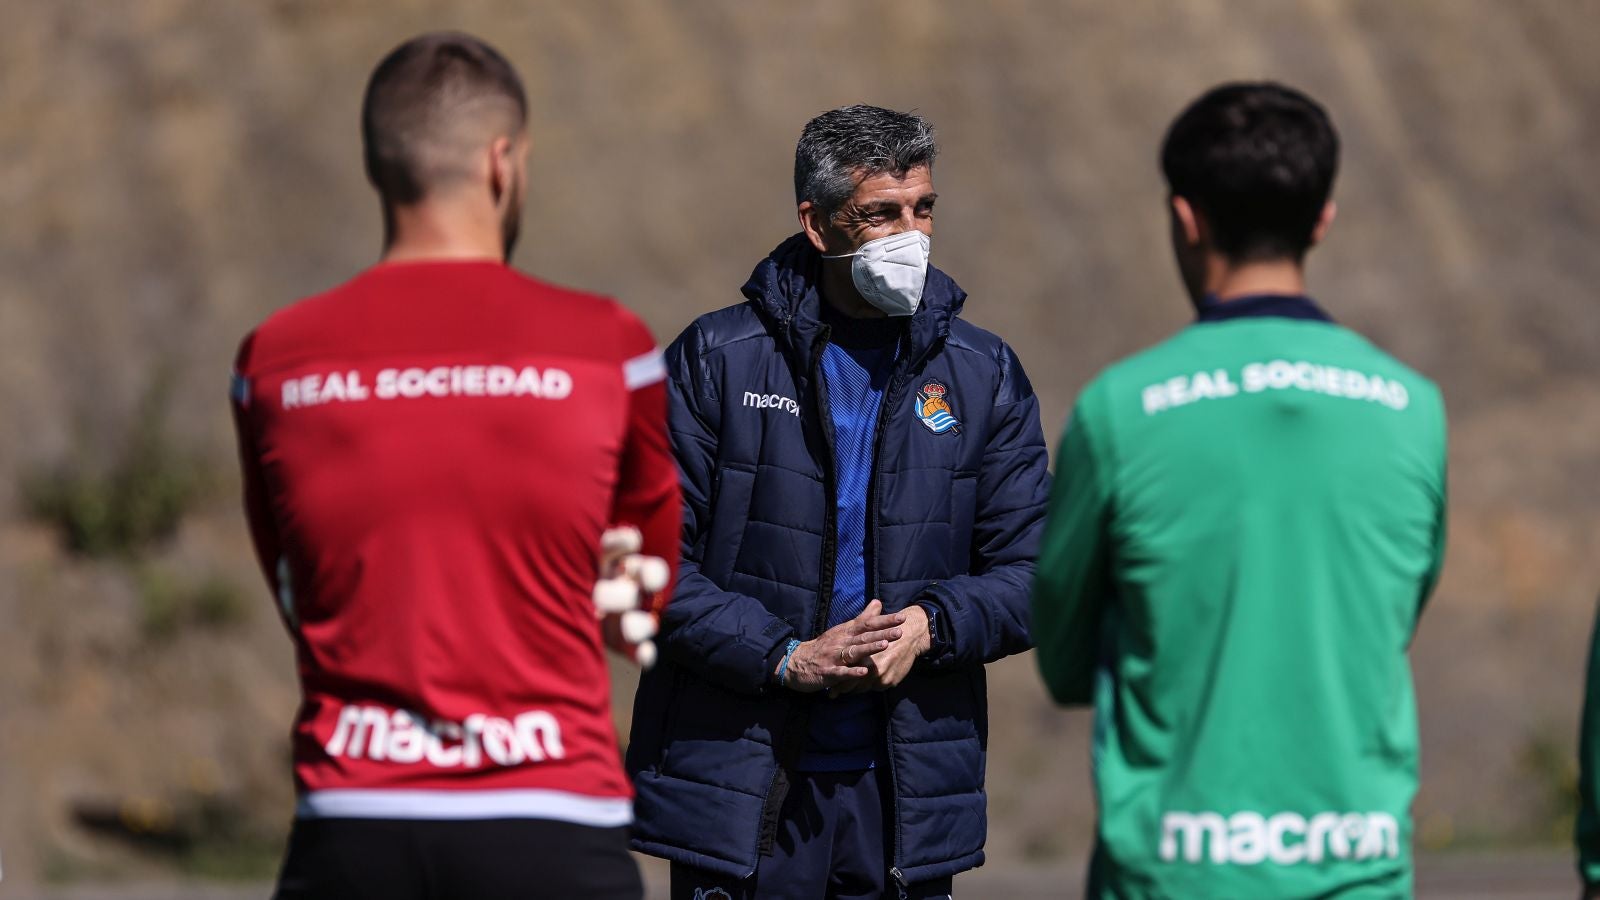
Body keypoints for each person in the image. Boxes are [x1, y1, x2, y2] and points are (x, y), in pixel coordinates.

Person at [229, 32, 680, 900]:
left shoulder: (273, 362)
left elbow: (294, 586)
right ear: (503, 163)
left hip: (353, 820)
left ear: (378, 168)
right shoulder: (610, 347)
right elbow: (644, 596)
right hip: (554, 817)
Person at [1031, 82, 1448, 898]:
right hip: (1357, 866)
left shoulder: (1123, 408)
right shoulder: (1413, 408)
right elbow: (1395, 612)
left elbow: (1066, 651)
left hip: (1173, 871)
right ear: (1322, 218)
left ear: (1185, 218)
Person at [626, 104, 1050, 900]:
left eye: (923, 209)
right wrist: (786, 657)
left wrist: (933, 624)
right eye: (880, 214)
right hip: (747, 793)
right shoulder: (715, 362)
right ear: (818, 226)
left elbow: (1035, 573)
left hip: (905, 798)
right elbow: (645, 568)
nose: (910, 236)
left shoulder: (982, 374)